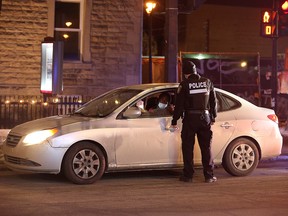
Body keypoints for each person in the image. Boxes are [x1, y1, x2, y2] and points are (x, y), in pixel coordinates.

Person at [169, 60, 217, 183]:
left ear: (185, 73)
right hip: (205, 118)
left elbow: (179, 105)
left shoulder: (184, 84)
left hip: (190, 119)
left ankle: (188, 175)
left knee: (188, 147)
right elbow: (213, 101)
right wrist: (213, 116)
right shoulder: (207, 82)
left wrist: (174, 119)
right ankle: (209, 176)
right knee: (206, 148)